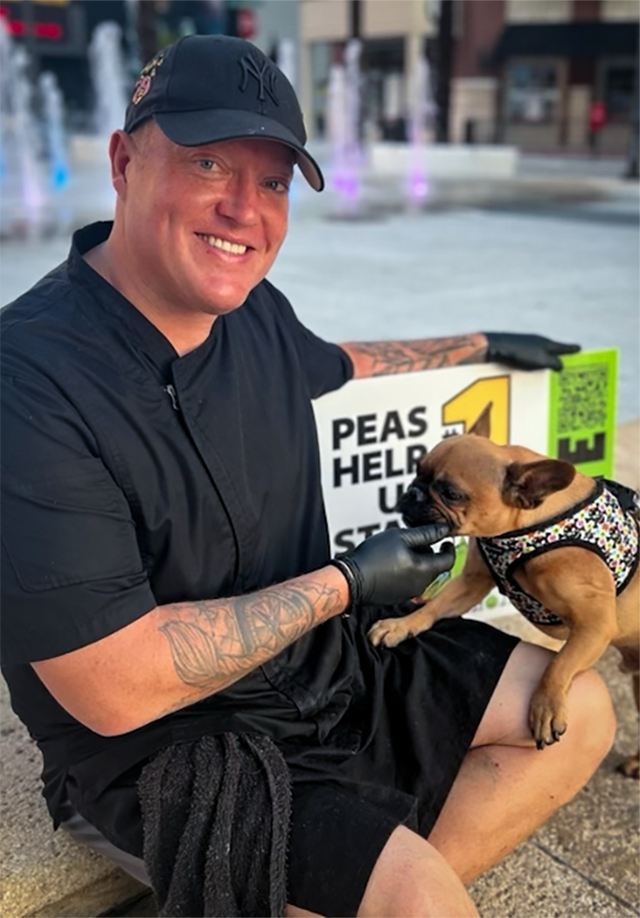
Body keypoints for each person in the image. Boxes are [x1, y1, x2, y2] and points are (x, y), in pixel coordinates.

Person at [0, 36, 615, 918]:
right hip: (173, 745)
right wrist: (349, 582)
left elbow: (338, 361)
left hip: (324, 671)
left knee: (582, 713)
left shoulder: (251, 311)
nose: (245, 211)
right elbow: (114, 686)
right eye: (208, 162)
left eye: (275, 182)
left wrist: (482, 344)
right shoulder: (27, 383)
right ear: (124, 161)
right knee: (422, 904)